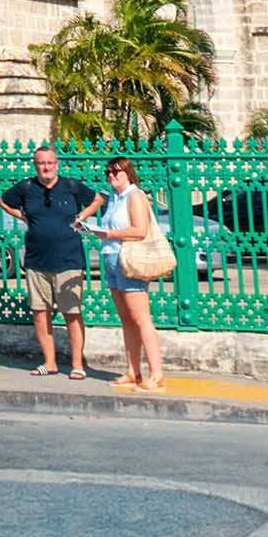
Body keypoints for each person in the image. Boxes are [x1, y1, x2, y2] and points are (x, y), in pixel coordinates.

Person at [0, 146, 103, 377]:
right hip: (37, 261)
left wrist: (81, 217)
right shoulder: (26, 187)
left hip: (69, 259)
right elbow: (4, 202)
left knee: (72, 313)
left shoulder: (71, 186)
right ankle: (50, 363)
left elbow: (97, 199)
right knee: (40, 312)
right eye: (41, 163)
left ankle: (77, 365)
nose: (46, 167)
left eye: (50, 163)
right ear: (35, 165)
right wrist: (23, 216)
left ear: (57, 164)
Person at [83, 156, 166, 392]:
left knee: (141, 319)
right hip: (111, 258)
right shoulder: (115, 199)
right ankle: (133, 370)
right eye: (108, 172)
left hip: (128, 258)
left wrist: (108, 233)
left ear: (128, 173)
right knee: (126, 319)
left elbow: (140, 230)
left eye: (116, 172)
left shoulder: (135, 196)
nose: (111, 176)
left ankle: (157, 373)